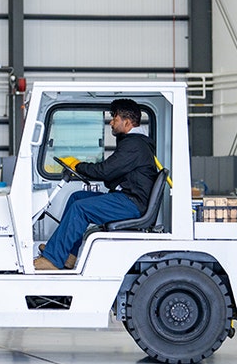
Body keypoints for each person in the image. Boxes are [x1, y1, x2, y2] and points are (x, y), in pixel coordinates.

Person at [35, 98, 159, 271]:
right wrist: (83, 167)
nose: (111, 123)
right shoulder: (134, 143)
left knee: (81, 208)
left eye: (115, 119)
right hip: (129, 198)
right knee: (77, 197)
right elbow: (112, 172)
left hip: (132, 203)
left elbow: (104, 171)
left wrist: (78, 166)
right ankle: (68, 255)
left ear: (127, 122)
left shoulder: (134, 145)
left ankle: (53, 260)